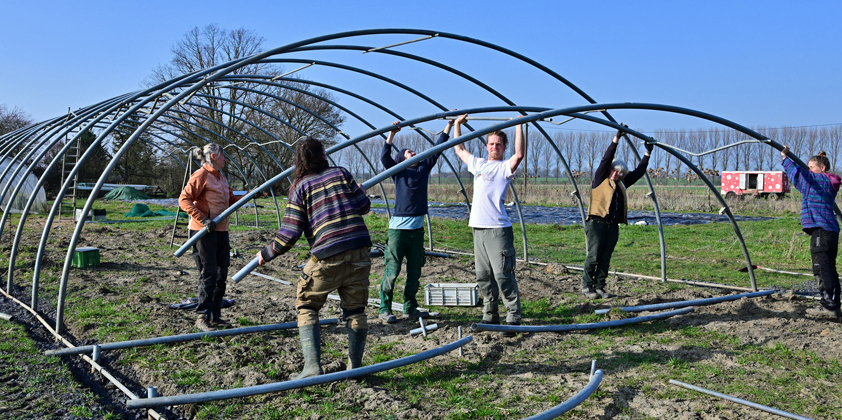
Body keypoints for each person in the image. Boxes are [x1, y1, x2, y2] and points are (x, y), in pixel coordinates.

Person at [257, 138, 372, 379]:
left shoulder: (300, 186)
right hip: (360, 249)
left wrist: (266, 254)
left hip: (328, 253)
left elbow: (290, 232)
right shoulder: (342, 173)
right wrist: (358, 191)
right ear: (323, 155)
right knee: (355, 310)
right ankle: (356, 369)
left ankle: (311, 368)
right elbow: (364, 207)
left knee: (307, 304)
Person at [453, 114, 524, 336]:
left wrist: (519, 125)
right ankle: (490, 313)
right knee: (483, 275)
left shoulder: (504, 168)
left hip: (498, 229)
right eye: (491, 144)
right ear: (486, 146)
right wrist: (457, 125)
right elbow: (459, 150)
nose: (494, 147)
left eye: (498, 144)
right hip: (478, 228)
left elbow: (519, 154)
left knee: (503, 273)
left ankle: (513, 316)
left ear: (503, 147)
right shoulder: (479, 164)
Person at [378, 120, 453, 323]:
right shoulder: (399, 172)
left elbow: (438, 148)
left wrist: (449, 125)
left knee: (414, 272)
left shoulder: (423, 170)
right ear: (402, 158)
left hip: (417, 231)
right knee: (392, 271)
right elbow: (384, 157)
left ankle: (410, 308)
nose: (414, 153)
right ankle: (385, 308)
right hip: (398, 232)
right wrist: (392, 134)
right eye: (410, 152)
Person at [178, 143, 244, 331]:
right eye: (223, 156)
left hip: (222, 230)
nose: (225, 160)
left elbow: (231, 199)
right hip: (203, 231)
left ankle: (215, 315)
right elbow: (184, 199)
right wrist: (204, 219)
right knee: (209, 272)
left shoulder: (221, 177)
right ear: (214, 157)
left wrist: (249, 196)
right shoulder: (201, 175)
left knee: (222, 273)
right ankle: (202, 317)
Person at [582, 125, 653, 299]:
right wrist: (616, 139)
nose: (615, 174)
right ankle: (587, 286)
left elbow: (638, 173)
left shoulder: (621, 184)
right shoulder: (600, 179)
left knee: (605, 258)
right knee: (593, 256)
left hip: (612, 226)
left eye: (619, 173)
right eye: (614, 171)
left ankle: (600, 287)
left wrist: (647, 153)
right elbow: (606, 160)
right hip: (597, 223)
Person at [781, 146, 841, 317]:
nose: (809, 169)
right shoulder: (826, 182)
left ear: (822, 168)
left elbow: (797, 174)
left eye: (811, 166)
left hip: (821, 229)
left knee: (821, 268)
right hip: (829, 230)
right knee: (828, 268)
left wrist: (785, 158)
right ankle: (833, 305)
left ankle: (829, 306)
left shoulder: (818, 181)